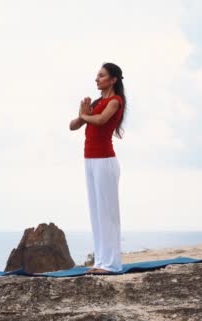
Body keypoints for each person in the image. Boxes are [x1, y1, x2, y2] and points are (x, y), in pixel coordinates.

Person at [69, 62, 126, 275]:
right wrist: (81, 114)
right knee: (96, 212)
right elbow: (73, 126)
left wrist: (85, 116)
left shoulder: (115, 101)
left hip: (105, 161)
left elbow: (101, 120)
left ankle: (112, 264)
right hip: (90, 160)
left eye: (101, 76)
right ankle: (101, 261)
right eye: (97, 76)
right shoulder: (95, 102)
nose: (97, 79)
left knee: (108, 213)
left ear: (112, 80)